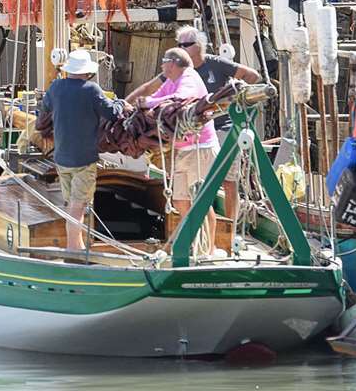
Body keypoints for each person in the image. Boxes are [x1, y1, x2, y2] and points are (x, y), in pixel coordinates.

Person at [136, 47, 221, 258]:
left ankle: (208, 249)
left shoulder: (188, 77)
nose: (162, 66)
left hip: (200, 149)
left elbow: (180, 98)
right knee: (180, 200)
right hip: (184, 150)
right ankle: (190, 243)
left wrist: (150, 103)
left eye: (164, 62)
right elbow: (158, 96)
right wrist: (143, 104)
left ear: (172, 63)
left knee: (201, 200)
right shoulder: (171, 80)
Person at [36, 48, 122, 253]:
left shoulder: (56, 87)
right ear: (87, 71)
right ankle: (74, 247)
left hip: (62, 159)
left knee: (71, 203)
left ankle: (78, 243)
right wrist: (119, 103)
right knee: (78, 206)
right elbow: (112, 114)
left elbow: (44, 109)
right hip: (83, 160)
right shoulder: (91, 90)